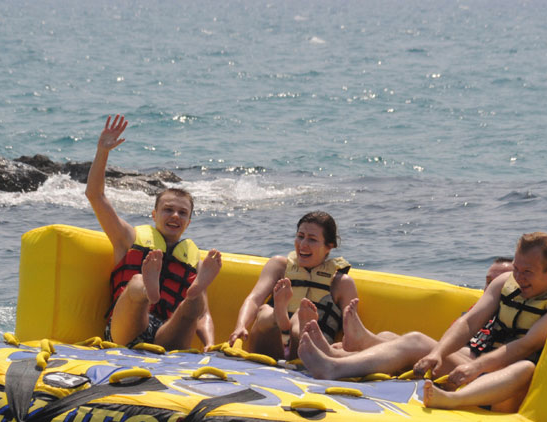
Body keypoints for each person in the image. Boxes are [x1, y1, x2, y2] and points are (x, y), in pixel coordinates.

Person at [299, 233, 547, 412]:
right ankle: (334, 366)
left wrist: (475, 367)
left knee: (525, 367)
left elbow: (527, 345)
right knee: (416, 340)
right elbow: (469, 324)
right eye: (516, 268)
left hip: (514, 383)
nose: (519, 277)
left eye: (527, 272)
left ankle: (449, 400)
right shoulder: (506, 281)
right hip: (479, 364)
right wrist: (437, 354)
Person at [85, 115, 222, 350]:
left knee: (195, 301)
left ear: (188, 222)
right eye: (168, 210)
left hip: (164, 336)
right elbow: (95, 196)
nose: (175, 216)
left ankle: (165, 292)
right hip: (123, 333)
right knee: (138, 282)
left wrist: (211, 345)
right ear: (154, 215)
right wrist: (102, 152)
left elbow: (204, 316)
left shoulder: (194, 260)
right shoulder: (128, 238)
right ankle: (150, 292)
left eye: (182, 213)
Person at [228, 212, 358, 360]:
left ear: (329, 246)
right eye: (300, 236)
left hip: (310, 357)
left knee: (299, 318)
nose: (303, 244)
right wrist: (240, 326)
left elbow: (353, 331)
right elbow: (254, 299)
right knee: (265, 311)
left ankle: (299, 324)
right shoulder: (279, 266)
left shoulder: (341, 283)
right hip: (269, 349)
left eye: (312, 239)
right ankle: (280, 317)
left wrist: (344, 346)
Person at [335, 256, 514, 354]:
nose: (490, 288)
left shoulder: (512, 316)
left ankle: (360, 343)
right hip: (449, 354)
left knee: (415, 341)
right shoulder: (476, 310)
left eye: (498, 283)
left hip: (469, 362)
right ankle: (339, 353)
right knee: (387, 335)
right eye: (488, 282)